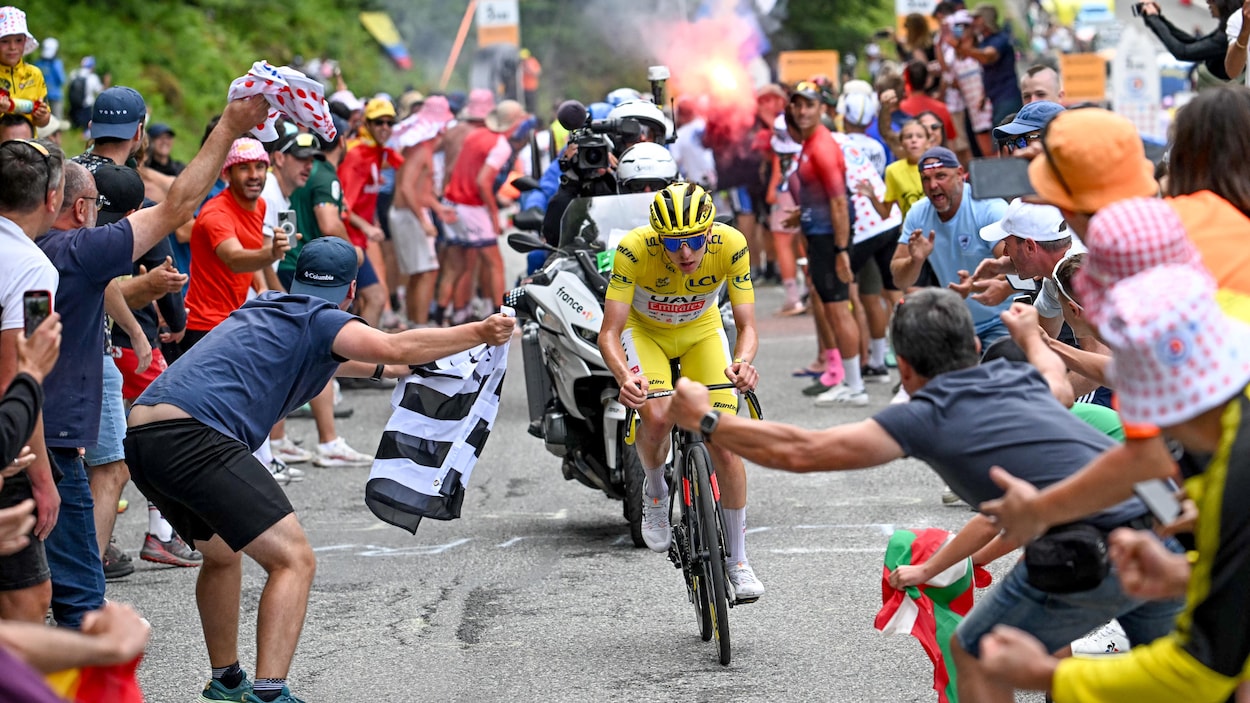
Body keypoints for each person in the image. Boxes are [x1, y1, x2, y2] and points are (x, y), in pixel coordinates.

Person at [665, 287, 1183, 703]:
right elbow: (1058, 384)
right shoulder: (1011, 377)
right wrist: (1028, 336)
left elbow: (803, 451)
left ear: (905, 370)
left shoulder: (924, 415)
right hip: (1164, 532)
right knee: (1184, 675)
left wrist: (707, 420)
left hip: (1098, 551)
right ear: (976, 350)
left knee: (975, 655)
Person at [124, 236, 515, 703]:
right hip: (194, 437)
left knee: (223, 554)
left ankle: (227, 680)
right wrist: (478, 332)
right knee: (294, 560)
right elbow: (391, 345)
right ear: (351, 290)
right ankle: (270, 693)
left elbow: (363, 360)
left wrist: (396, 370)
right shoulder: (323, 318)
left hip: (145, 434)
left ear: (296, 277)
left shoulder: (272, 305)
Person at [978, 264, 1250, 703]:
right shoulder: (1229, 421)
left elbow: (1202, 666)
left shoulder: (1235, 471)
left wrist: (1050, 676)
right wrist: (1185, 572)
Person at [597, 182, 765, 602]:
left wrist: (743, 363)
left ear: (710, 233)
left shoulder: (732, 243)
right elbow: (609, 333)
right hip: (645, 332)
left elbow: (745, 327)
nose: (685, 252)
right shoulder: (634, 250)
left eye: (693, 241)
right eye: (673, 243)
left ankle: (738, 562)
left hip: (700, 333)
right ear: (658, 238)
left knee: (724, 439)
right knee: (655, 415)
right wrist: (625, 378)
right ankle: (655, 491)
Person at [0, 137, 64, 623]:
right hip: (7, 444)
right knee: (28, 596)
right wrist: (41, 480)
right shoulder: (31, 268)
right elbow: (21, 372)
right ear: (52, 200)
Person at [789, 81, 868, 406]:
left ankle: (855, 386)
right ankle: (851, 382)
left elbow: (838, 201)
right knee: (833, 309)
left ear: (822, 108)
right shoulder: (810, 142)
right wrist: (802, 214)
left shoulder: (821, 146)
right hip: (820, 235)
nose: (803, 110)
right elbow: (820, 196)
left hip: (829, 240)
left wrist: (840, 251)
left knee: (838, 309)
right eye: (798, 105)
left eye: (809, 104)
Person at [891, 146, 1011, 344]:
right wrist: (915, 260)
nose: (933, 185)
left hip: (1002, 320)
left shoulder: (990, 208)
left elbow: (1018, 267)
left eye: (941, 176)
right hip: (957, 324)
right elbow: (899, 280)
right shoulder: (918, 213)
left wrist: (972, 285)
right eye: (925, 179)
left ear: (960, 174)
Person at [182, 138, 292, 350]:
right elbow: (234, 258)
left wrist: (262, 291)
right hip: (205, 326)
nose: (254, 175)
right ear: (227, 174)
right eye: (244, 168)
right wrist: (272, 253)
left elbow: (250, 252)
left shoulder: (258, 205)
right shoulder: (217, 214)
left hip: (234, 320)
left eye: (260, 167)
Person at [337, 97, 400, 328]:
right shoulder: (358, 155)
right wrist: (366, 227)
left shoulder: (374, 152)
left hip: (358, 240)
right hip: (348, 239)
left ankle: (357, 356)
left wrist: (372, 223)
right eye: (378, 122)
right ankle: (365, 357)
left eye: (389, 123)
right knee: (375, 297)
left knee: (360, 301)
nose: (385, 128)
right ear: (367, 124)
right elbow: (342, 204)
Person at [1140, 0, 1241, 87]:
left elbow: (1183, 52)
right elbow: (1192, 43)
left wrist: (1153, 18)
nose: (1208, 2)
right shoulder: (1227, 32)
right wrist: (1158, 18)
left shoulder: (1227, 37)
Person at [961, 4, 1022, 129]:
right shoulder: (985, 41)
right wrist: (983, 96)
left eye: (977, 18)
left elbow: (987, 56)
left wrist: (961, 48)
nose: (973, 23)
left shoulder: (1000, 39)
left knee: (1005, 139)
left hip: (1007, 97)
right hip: (996, 98)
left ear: (986, 19)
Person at [0, 7, 49, 129]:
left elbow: (44, 120)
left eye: (18, 40)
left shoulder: (34, 74)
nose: (12, 47)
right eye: (5, 41)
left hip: (27, 145)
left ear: (25, 41)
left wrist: (41, 116)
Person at [31, 37, 62, 120]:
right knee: (55, 119)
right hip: (54, 95)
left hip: (41, 96)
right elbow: (61, 79)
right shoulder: (56, 63)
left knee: (43, 118)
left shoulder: (38, 63)